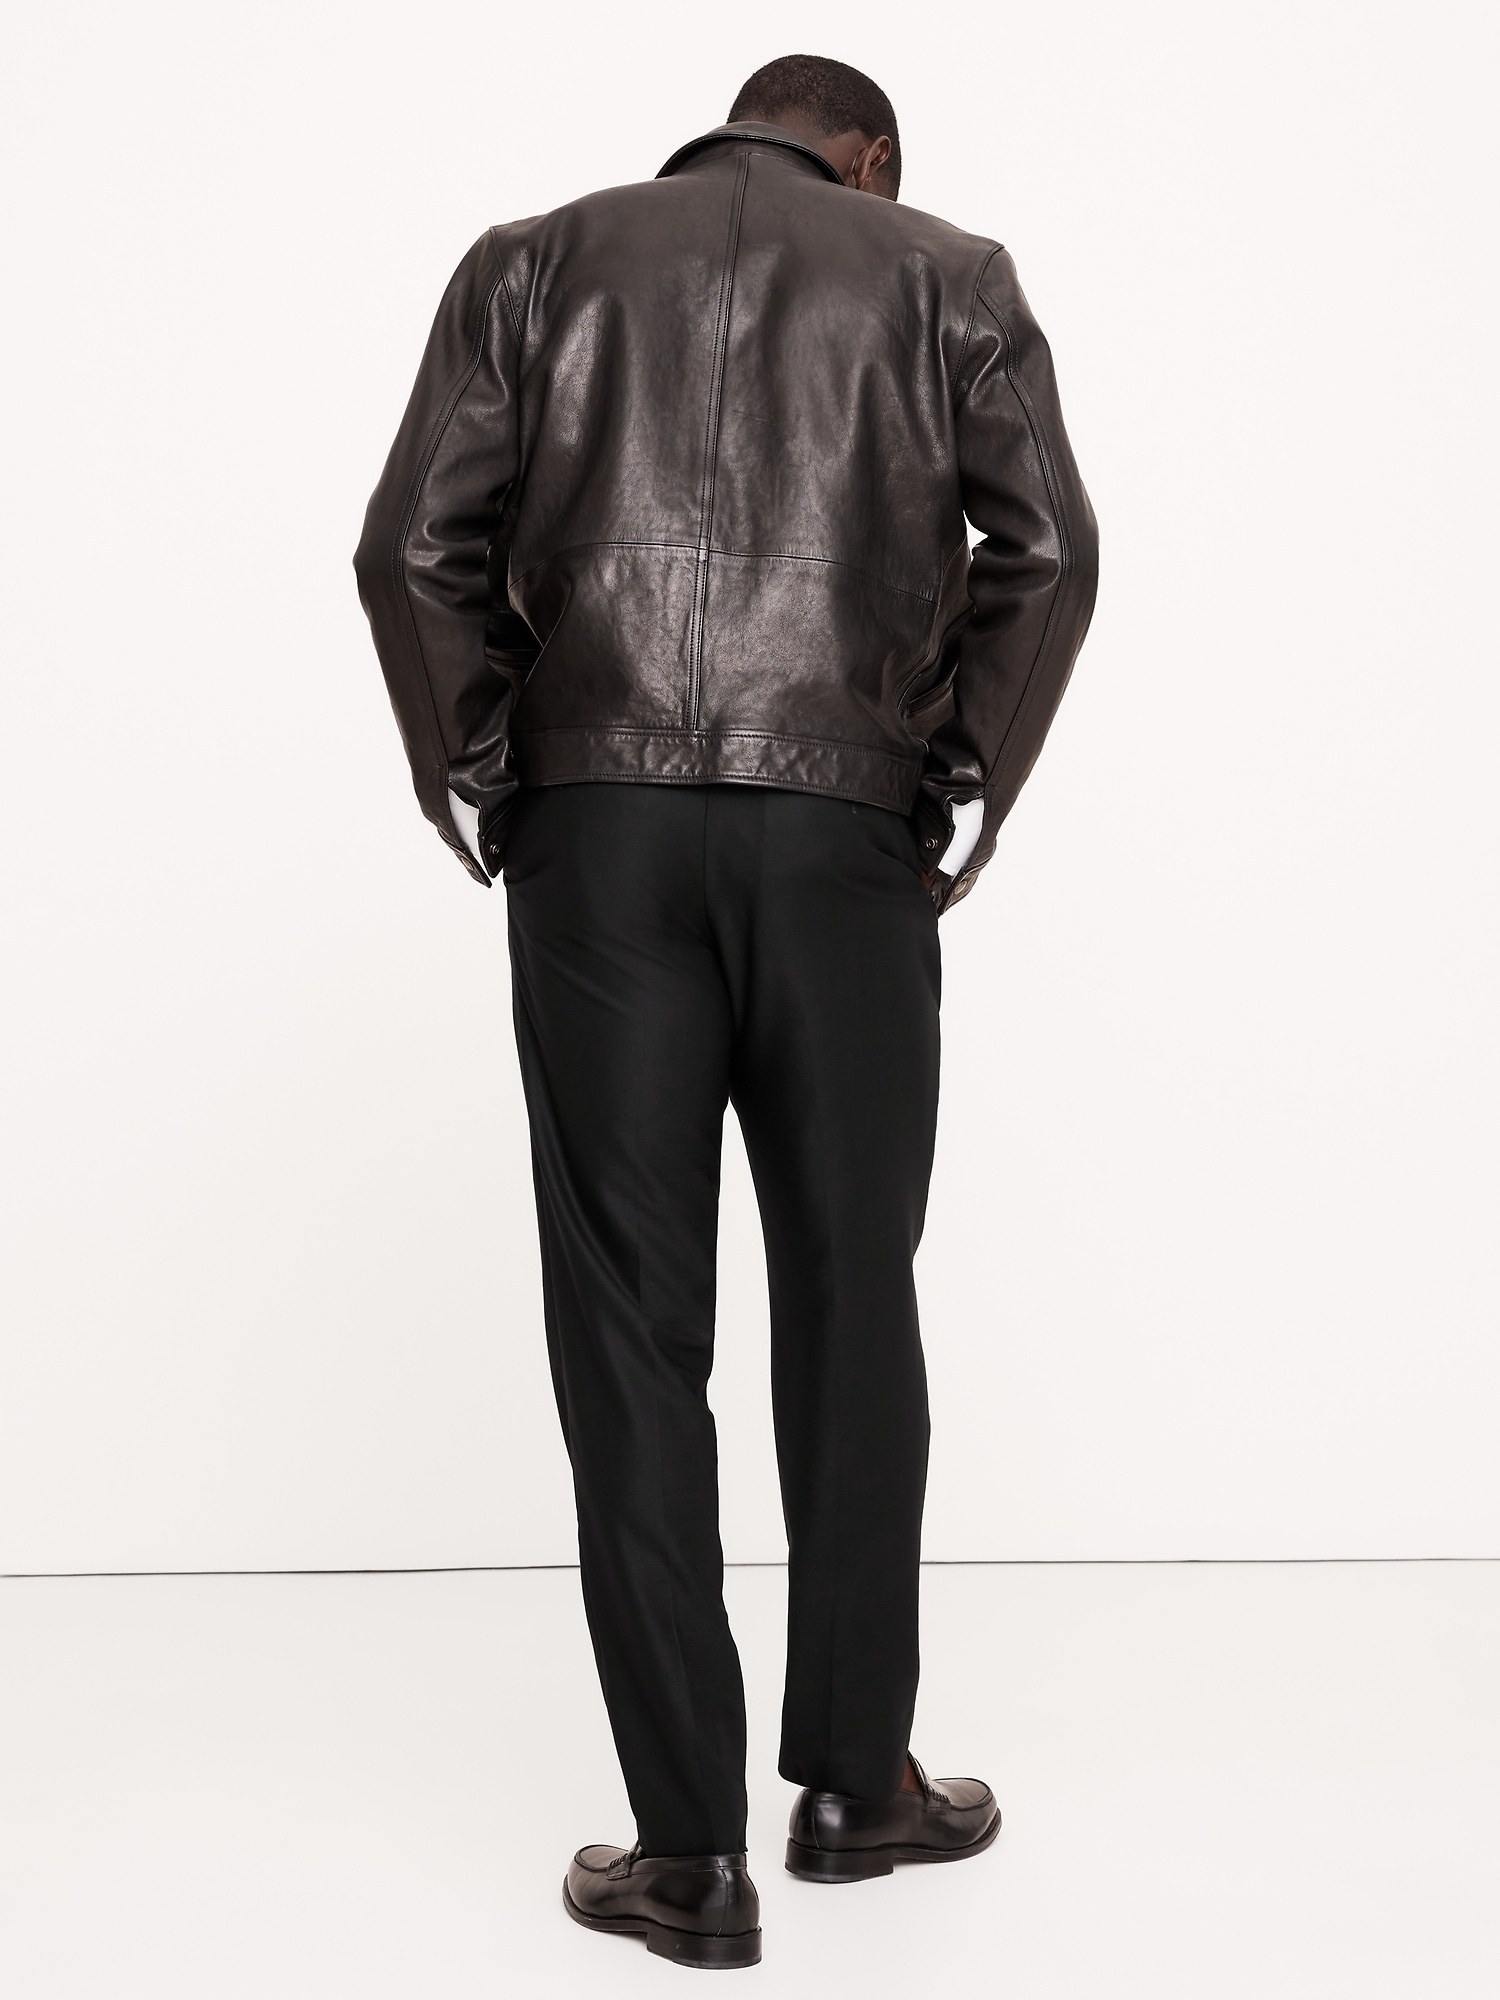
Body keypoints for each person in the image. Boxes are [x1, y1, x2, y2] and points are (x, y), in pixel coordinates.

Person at [355, 52, 1097, 1972]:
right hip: (843, 836)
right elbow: (1051, 551)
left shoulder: (533, 263)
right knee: (854, 1293)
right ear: (870, 157)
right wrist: (955, 771)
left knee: (630, 1331)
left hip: (597, 840)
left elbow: (411, 546)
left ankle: (686, 1859)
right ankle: (856, 1788)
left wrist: (492, 772)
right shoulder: (948, 272)